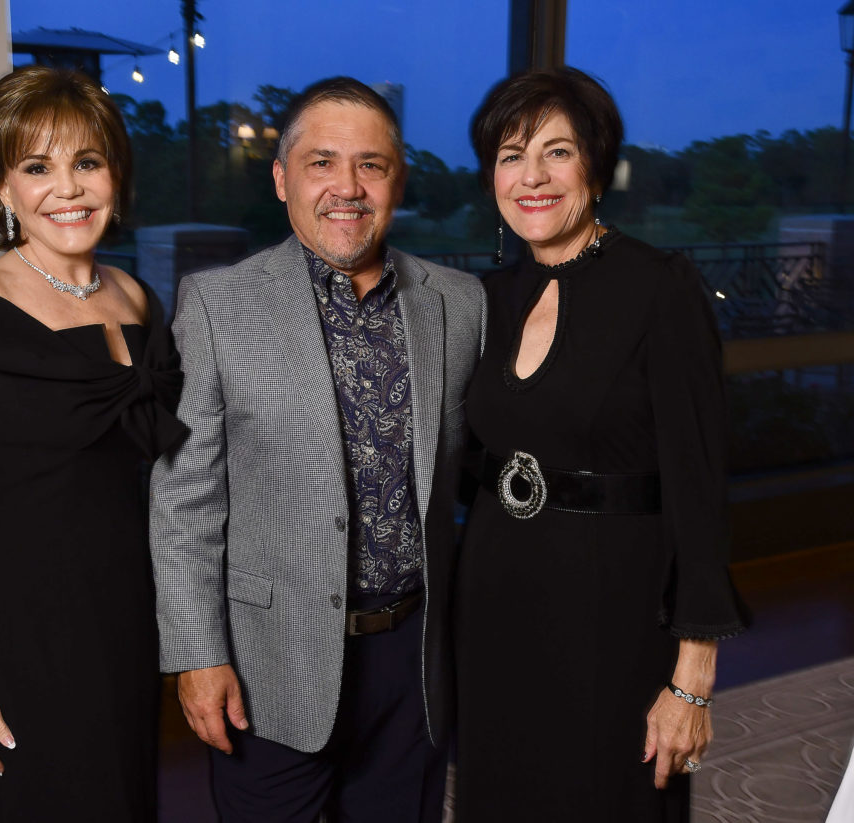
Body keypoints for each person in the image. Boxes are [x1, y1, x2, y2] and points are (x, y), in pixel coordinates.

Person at [149, 76, 486, 823]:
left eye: (371, 164)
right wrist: (198, 655)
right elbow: (184, 500)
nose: (348, 187)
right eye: (322, 162)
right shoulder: (216, 305)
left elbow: (479, 471)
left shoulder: (460, 304)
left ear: (397, 177)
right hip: (272, 659)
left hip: (412, 660)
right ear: (281, 178)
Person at [0, 66, 185, 822]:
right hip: (31, 621)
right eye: (37, 167)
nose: (69, 188)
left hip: (127, 608)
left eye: (87, 162)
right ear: (3, 187)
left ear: (115, 174)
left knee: (128, 799)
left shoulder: (136, 297)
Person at [453, 67, 749, 821]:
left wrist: (692, 676)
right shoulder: (487, 297)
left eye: (558, 152)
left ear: (596, 162)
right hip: (494, 604)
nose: (532, 177)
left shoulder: (660, 288)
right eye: (512, 155)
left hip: (613, 613)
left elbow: (699, 486)